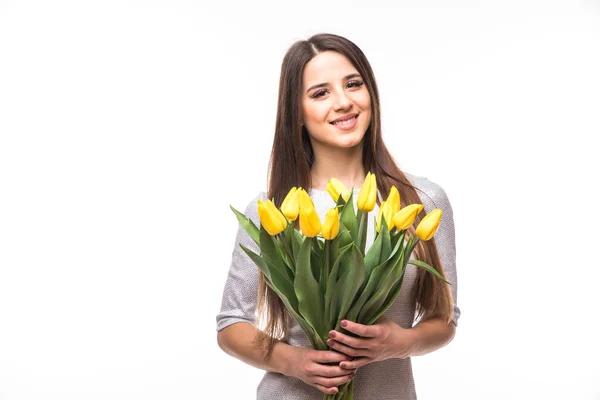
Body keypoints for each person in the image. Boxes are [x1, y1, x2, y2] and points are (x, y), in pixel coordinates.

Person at [216, 33, 460, 400]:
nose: (344, 102)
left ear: (371, 93)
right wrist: (293, 361)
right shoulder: (274, 210)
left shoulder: (421, 200)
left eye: (353, 84)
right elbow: (231, 324)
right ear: (296, 112)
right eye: (320, 93)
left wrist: (401, 342)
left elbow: (445, 319)